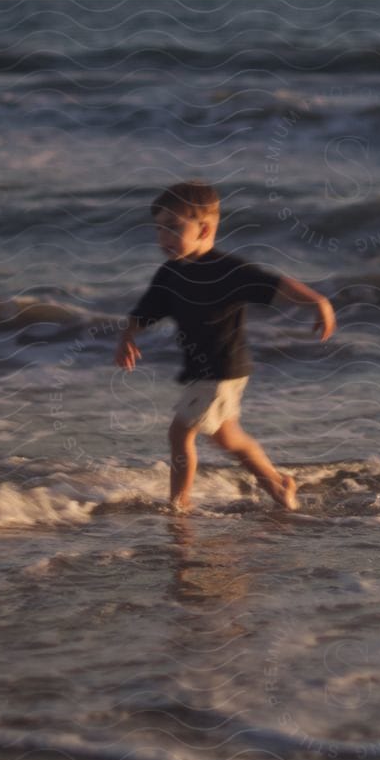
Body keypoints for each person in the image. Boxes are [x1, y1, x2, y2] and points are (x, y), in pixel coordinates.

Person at [114, 180, 335, 512]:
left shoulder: (228, 270)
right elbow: (147, 309)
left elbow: (273, 283)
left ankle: (179, 505)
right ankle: (278, 485)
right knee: (227, 438)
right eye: (159, 230)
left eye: (173, 229)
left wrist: (318, 301)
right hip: (210, 370)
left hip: (221, 368)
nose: (163, 238)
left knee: (179, 433)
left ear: (204, 230)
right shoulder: (170, 273)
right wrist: (127, 336)